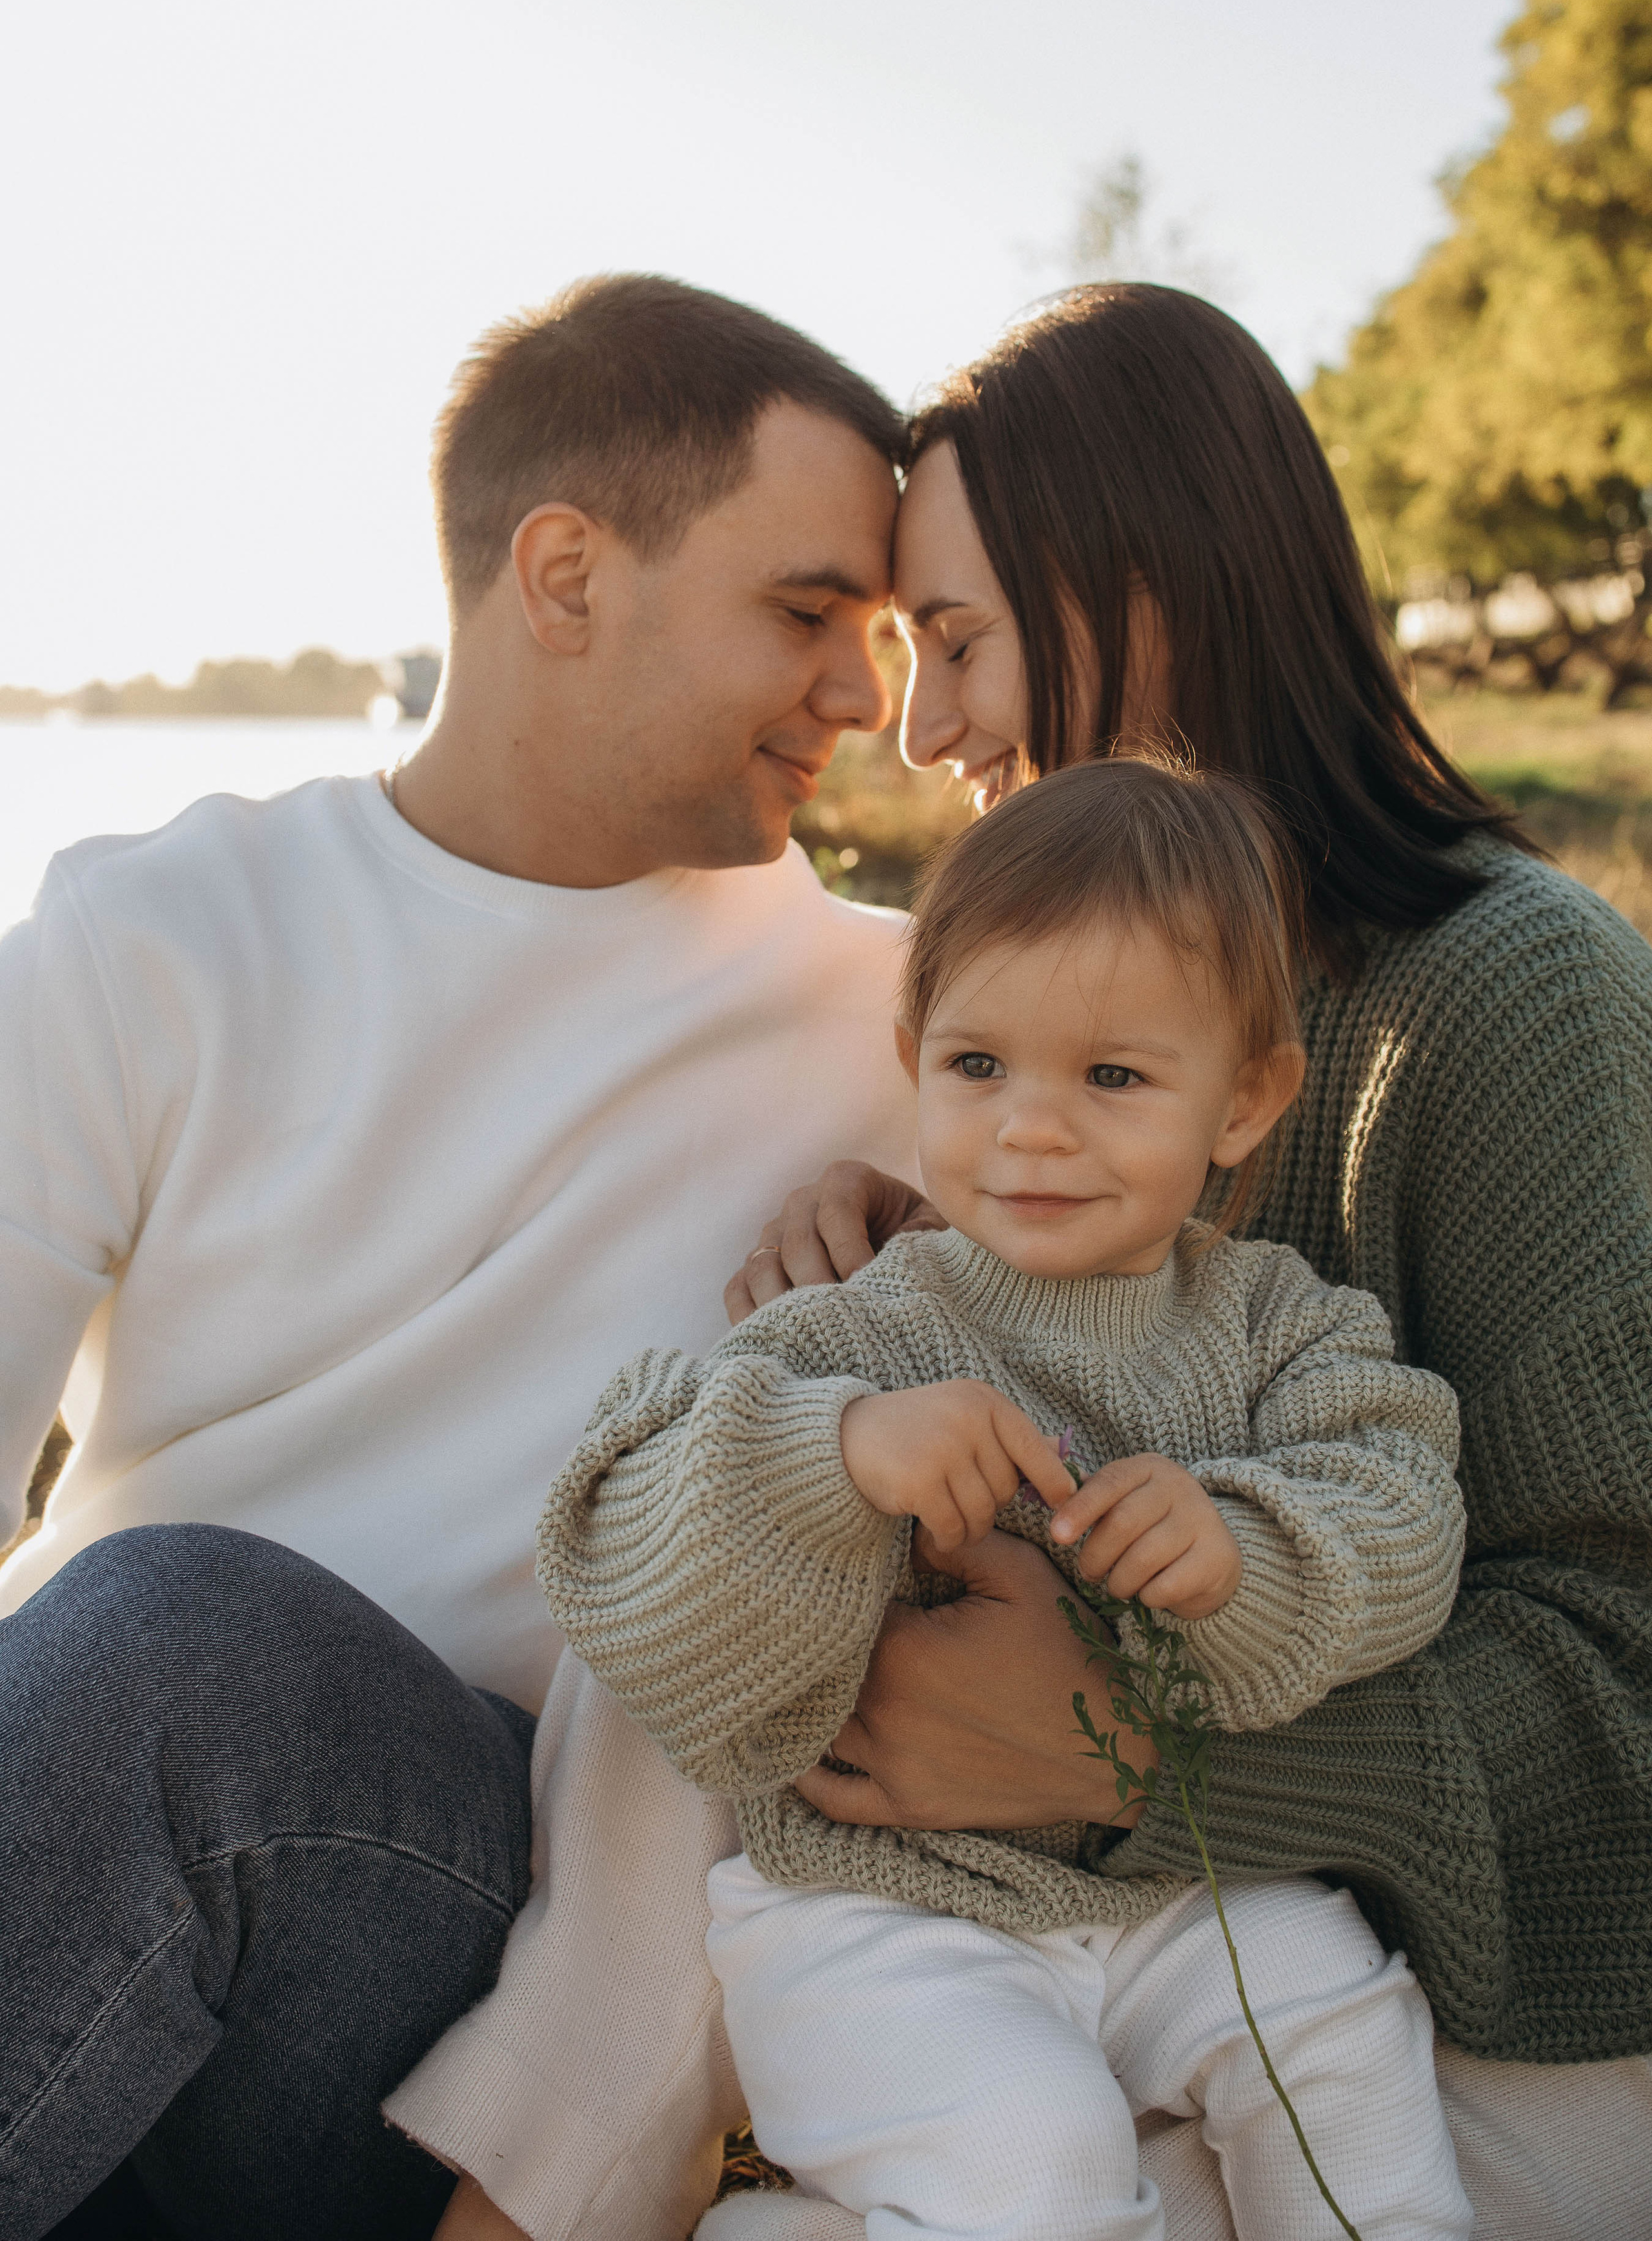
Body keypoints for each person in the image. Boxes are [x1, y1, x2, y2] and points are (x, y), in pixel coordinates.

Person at [710, 285, 1652, 2235]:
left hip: (1473, 2013)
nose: (918, 726)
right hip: (1143, 1939)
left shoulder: (1511, 998)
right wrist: (936, 1278)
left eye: (954, 639)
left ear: (1149, 591)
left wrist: (1140, 1738)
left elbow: (1627, 1674)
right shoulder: (1084, 1041)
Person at [0, 274, 923, 2239]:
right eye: (806, 611)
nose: (868, 696)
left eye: (884, 629)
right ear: (569, 573)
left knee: (183, 1644)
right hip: (69, 1828)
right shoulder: (156, 929)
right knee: (128, 1661)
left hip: (461, 1925)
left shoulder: (923, 1039)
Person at [539, 758, 1474, 2240]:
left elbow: (1403, 1500)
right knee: (1031, 2165)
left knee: (1340, 2030)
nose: (1032, 1127)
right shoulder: (860, 1332)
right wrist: (834, 1455)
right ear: (912, 1056)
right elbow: (616, 1526)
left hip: (1173, 1888)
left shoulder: (1280, 1324)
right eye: (978, 1067)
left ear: (1243, 1099)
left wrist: (1246, 1547)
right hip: (879, 1918)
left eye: (1111, 1077)